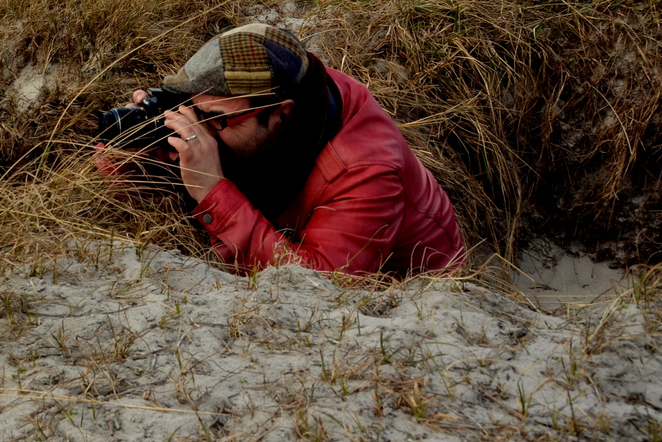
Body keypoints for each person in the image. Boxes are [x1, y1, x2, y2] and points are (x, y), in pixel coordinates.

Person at [98, 22, 465, 278]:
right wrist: (138, 147)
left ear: (280, 113)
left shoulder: (366, 169)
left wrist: (212, 191)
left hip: (414, 293)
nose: (200, 129)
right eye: (194, 109)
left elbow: (324, 285)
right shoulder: (291, 89)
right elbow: (133, 193)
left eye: (216, 119)